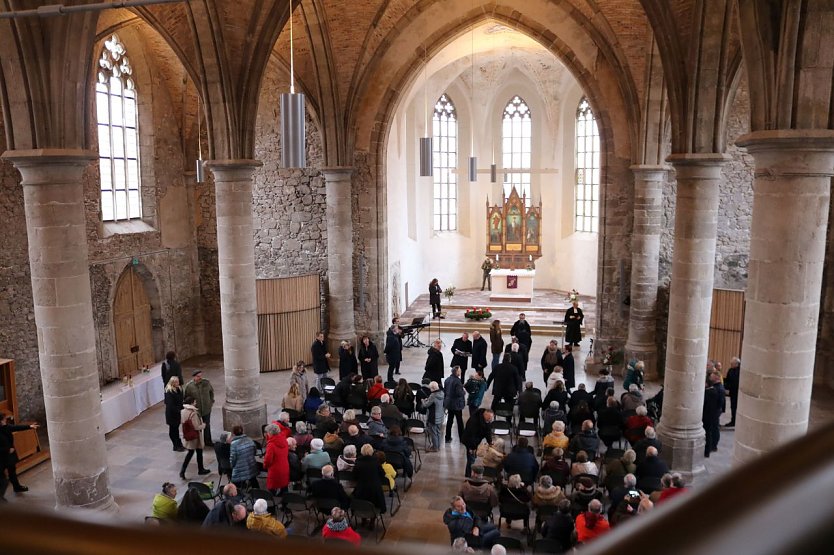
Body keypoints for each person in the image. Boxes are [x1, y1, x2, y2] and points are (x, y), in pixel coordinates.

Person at [179, 396, 210, 479]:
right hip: (195, 436)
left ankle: (184, 470)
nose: (196, 403)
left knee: (190, 453)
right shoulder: (193, 413)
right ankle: (200, 469)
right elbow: (196, 426)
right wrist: (203, 425)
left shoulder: (183, 411)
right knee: (198, 452)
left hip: (188, 434)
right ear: (192, 403)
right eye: (195, 402)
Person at [352, 443, 387, 514]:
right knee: (376, 504)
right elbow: (382, 474)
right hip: (375, 488)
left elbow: (354, 476)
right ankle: (372, 520)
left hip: (361, 488)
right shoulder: (376, 462)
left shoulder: (358, 462)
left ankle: (363, 520)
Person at [183, 370, 214, 447]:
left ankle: (208, 441)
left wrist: (211, 401)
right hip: (196, 410)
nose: (200, 378)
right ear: (194, 377)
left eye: (201, 376)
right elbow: (186, 398)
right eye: (198, 376)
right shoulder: (189, 386)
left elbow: (211, 392)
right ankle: (198, 442)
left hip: (206, 408)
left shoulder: (206, 383)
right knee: (197, 426)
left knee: (207, 425)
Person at [462, 408, 494, 477]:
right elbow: (471, 436)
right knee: (471, 459)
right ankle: (468, 476)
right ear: (484, 415)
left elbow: (487, 431)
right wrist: (472, 448)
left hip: (476, 440)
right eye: (488, 418)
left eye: (491, 418)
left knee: (472, 457)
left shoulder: (486, 420)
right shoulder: (474, 421)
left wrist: (490, 442)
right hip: (469, 441)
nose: (490, 420)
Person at [703, 372, 726, 457]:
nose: (710, 378)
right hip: (712, 413)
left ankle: (712, 446)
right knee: (711, 430)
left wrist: (718, 411)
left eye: (712, 377)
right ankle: (710, 447)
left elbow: (720, 402)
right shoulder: (715, 389)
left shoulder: (717, 390)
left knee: (712, 430)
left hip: (712, 414)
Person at [229, 425, 259, 490]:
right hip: (251, 465)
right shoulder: (250, 440)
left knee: (235, 483)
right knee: (253, 480)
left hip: (239, 468)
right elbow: (254, 452)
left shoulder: (233, 444)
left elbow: (233, 457)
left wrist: (232, 465)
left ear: (233, 433)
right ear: (243, 431)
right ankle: (257, 493)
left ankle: (238, 494)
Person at [263, 423, 290, 494]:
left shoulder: (271, 445)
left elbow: (268, 460)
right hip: (284, 466)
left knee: (272, 488)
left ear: (270, 433)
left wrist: (265, 466)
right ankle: (285, 501)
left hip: (274, 469)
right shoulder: (284, 440)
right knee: (284, 485)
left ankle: (273, 502)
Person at [444, 366, 466, 444]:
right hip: (457, 405)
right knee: (459, 421)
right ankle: (462, 438)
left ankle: (447, 437)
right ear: (456, 372)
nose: (461, 372)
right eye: (460, 370)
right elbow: (459, 393)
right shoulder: (457, 381)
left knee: (449, 421)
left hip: (449, 403)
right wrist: (464, 392)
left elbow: (445, 391)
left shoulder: (447, 380)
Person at [164, 376, 185, 451]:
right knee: (173, 430)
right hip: (172, 414)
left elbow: (181, 399)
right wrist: (178, 410)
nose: (177, 383)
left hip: (178, 412)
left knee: (176, 429)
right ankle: (175, 445)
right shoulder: (169, 391)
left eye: (178, 381)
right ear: (172, 383)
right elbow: (170, 405)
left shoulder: (179, 389)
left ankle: (179, 444)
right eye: (176, 382)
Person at [423, 381, 445, 452]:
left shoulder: (433, 395)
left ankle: (435, 448)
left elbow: (426, 405)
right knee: (438, 432)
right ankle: (438, 446)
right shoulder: (442, 393)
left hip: (434, 416)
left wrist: (423, 401)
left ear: (432, 388)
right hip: (440, 416)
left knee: (433, 433)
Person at [385, 317, 404, 382]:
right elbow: (389, 346)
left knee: (393, 365)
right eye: (396, 329)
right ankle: (390, 379)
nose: (397, 330)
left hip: (395, 352)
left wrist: (400, 333)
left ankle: (392, 377)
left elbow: (401, 336)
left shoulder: (394, 335)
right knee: (391, 367)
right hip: (392, 354)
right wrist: (386, 352)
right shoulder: (391, 336)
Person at [724, 357, 741, 427]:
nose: (731, 364)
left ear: (737, 364)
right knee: (733, 407)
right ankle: (733, 421)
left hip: (738, 393)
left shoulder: (741, 371)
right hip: (732, 392)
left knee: (738, 408)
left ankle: (738, 421)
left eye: (732, 363)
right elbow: (728, 380)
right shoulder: (730, 370)